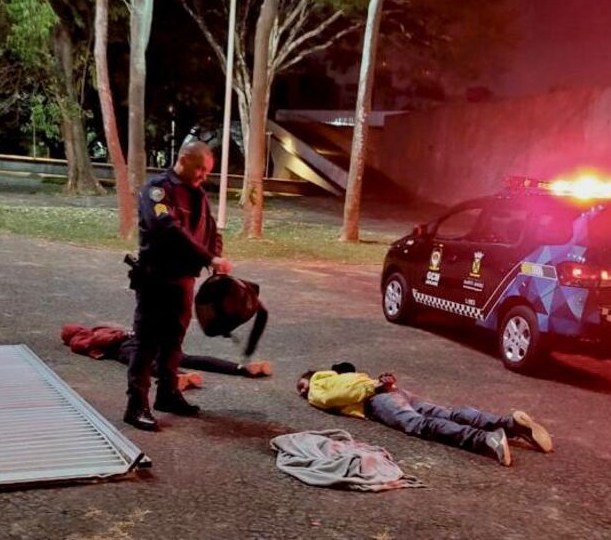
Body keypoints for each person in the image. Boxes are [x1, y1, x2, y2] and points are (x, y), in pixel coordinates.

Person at [123, 141, 232, 432]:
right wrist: (209, 257)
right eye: (200, 169)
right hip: (156, 278)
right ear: (183, 159)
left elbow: (210, 229)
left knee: (174, 340)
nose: (203, 176)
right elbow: (167, 229)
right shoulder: (158, 190)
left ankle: (168, 394)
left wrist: (214, 255)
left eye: (207, 171)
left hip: (184, 280)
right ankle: (136, 404)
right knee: (146, 342)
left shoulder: (198, 194)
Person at [296, 363, 553, 466]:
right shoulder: (346, 375)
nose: (301, 392)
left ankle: (485, 439)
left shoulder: (317, 385)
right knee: (448, 413)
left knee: (421, 425)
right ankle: (510, 423)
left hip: (376, 399)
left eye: (300, 386)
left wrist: (373, 388)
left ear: (309, 378)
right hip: (393, 391)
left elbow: (330, 397)